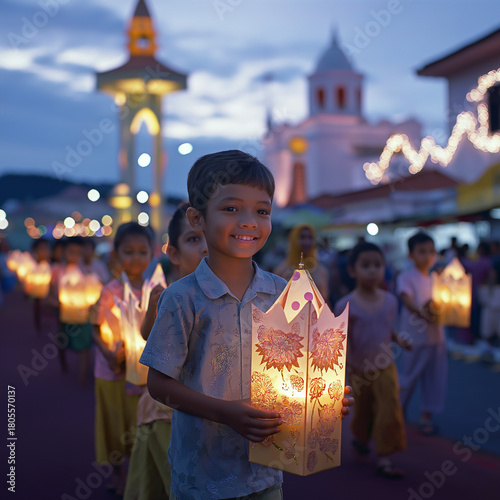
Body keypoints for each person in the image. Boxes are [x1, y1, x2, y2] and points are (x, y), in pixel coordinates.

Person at [140, 150, 354, 499]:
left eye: (262, 211)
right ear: (197, 218)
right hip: (203, 477)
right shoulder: (182, 298)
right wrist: (225, 413)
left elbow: (300, 369)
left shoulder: (281, 293)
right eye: (231, 208)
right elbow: (159, 384)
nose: (249, 221)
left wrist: (322, 403)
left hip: (265, 474)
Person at [124, 203, 208, 500]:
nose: (206, 247)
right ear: (173, 254)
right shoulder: (170, 293)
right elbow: (149, 337)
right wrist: (150, 312)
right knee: (172, 481)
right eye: (193, 239)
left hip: (213, 413)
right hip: (166, 411)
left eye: (210, 236)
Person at [334, 242, 410, 478]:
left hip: (386, 366)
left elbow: (388, 329)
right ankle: (361, 439)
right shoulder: (345, 304)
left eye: (377, 265)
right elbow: (340, 341)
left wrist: (399, 340)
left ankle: (385, 456)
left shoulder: (390, 301)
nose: (372, 270)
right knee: (363, 410)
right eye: (365, 265)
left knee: (389, 407)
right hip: (359, 369)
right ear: (352, 271)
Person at [91, 222, 154, 495]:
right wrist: (107, 352)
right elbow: (94, 326)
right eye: (129, 251)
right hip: (111, 370)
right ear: (116, 254)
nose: (136, 257)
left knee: (140, 425)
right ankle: (117, 473)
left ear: (152, 254)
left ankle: (140, 476)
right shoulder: (109, 291)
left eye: (142, 251)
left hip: (144, 374)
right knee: (115, 425)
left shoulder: (157, 291)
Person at [396, 231, 447, 436]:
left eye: (431, 251)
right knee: (409, 377)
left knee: (435, 377)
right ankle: (398, 411)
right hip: (414, 338)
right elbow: (405, 298)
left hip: (436, 337)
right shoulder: (406, 276)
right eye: (422, 252)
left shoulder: (437, 278)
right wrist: (423, 313)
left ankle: (426, 415)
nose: (427, 256)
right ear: (411, 255)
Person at [274, 224, 329, 301]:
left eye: (310, 237)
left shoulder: (321, 271)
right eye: (302, 237)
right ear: (293, 240)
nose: (307, 241)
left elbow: (325, 300)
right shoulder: (282, 271)